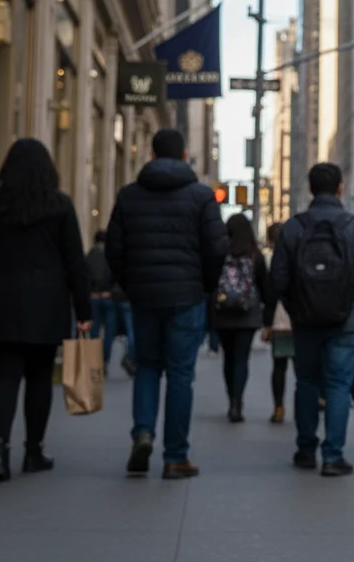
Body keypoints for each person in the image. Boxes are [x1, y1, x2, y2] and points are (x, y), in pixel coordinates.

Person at [106, 128, 228, 480]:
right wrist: (203, 286)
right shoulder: (202, 197)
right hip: (186, 298)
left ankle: (143, 433)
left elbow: (115, 248)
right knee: (179, 374)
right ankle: (175, 457)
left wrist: (132, 283)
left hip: (144, 297)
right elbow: (217, 248)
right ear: (185, 154)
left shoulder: (129, 196)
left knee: (147, 366)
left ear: (152, 153)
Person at [0, 139, 91, 483]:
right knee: (39, 378)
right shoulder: (59, 206)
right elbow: (74, 263)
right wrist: (83, 308)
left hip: (1, 300)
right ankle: (33, 451)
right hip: (47, 302)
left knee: (5, 377)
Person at [270, 163, 354, 476]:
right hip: (346, 321)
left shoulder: (293, 228)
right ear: (341, 188)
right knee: (338, 385)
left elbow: (278, 278)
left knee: (306, 382)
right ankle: (333, 456)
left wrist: (297, 307)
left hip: (306, 321)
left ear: (310, 189)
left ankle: (305, 449)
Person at [210, 213, 273, 423]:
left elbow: (210, 282)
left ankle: (231, 399)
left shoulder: (220, 253)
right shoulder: (255, 254)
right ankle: (238, 401)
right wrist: (267, 317)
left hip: (223, 313)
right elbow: (265, 286)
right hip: (248, 314)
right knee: (241, 359)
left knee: (228, 357)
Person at [86, 230, 136, 377]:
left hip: (93, 297)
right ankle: (105, 361)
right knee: (109, 332)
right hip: (109, 297)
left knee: (94, 331)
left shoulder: (90, 256)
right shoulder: (111, 255)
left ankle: (95, 363)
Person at [263, 222, 294, 424]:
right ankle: (307, 404)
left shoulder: (273, 260)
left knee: (279, 366)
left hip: (280, 319)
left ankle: (278, 407)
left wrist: (267, 324)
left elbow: (270, 295)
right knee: (304, 369)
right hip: (301, 319)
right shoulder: (300, 256)